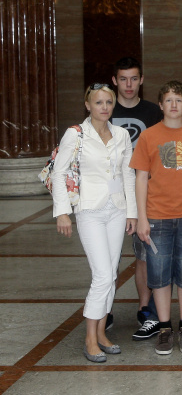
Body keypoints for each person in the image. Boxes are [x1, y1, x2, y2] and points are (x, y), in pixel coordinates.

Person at [53, 84, 137, 363]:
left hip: (116, 209)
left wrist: (132, 212)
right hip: (88, 209)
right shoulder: (75, 134)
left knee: (111, 273)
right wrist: (62, 212)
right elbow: (59, 172)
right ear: (87, 105)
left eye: (109, 102)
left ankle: (101, 332)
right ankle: (90, 337)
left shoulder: (122, 134)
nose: (104, 107)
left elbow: (128, 175)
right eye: (98, 102)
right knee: (102, 274)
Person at [131, 81, 182, 355]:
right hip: (156, 217)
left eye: (179, 100)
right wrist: (142, 218)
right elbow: (141, 178)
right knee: (160, 274)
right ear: (161, 105)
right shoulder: (148, 136)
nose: (174, 105)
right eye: (169, 100)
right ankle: (165, 328)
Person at [110, 57, 161, 339]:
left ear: (141, 80)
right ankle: (104, 308)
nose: (128, 85)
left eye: (134, 79)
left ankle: (145, 308)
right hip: (111, 195)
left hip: (143, 194)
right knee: (108, 257)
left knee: (143, 254)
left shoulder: (153, 112)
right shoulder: (105, 107)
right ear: (115, 80)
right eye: (123, 79)